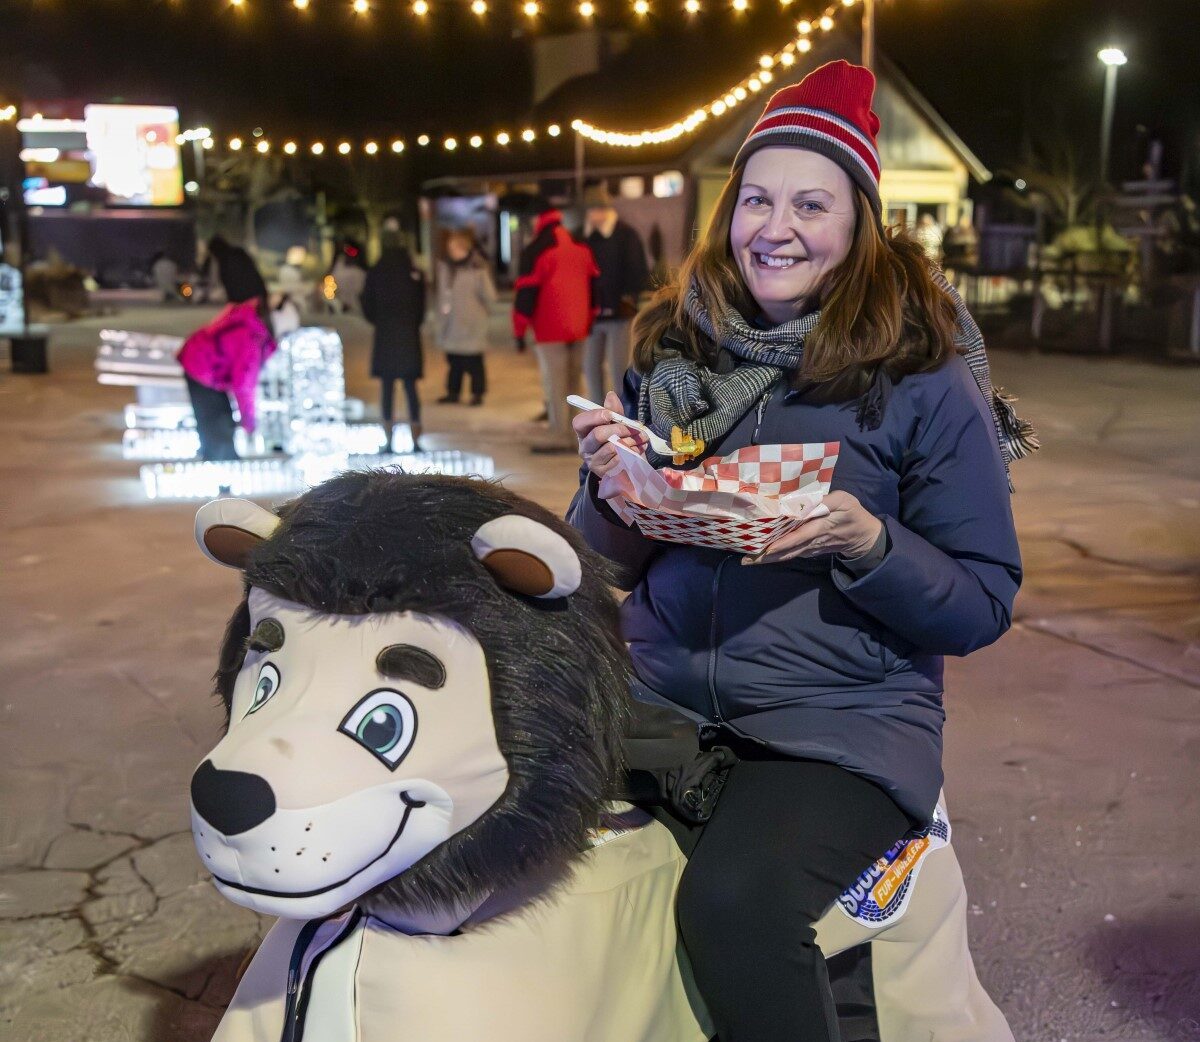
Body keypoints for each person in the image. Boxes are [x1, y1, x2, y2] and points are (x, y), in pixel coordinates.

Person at [568, 60, 1025, 1042]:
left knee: (734, 906)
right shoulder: (676, 349)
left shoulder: (919, 373)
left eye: (811, 204)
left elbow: (983, 600)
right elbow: (597, 569)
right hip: (661, 701)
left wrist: (869, 540)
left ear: (860, 222)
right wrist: (616, 491)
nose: (776, 228)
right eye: (757, 200)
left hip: (840, 728)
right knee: (491, 815)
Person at [512, 207, 599, 454]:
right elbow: (595, 289)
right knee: (574, 382)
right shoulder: (581, 246)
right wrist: (589, 320)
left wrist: (519, 332)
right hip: (580, 327)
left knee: (556, 383)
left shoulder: (536, 250)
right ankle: (579, 434)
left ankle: (560, 434)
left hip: (550, 330)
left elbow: (526, 296)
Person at [582, 184, 650, 406]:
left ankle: (623, 412)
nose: (595, 214)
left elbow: (637, 270)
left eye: (598, 209)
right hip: (591, 315)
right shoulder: (583, 237)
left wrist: (627, 297)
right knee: (591, 367)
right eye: (591, 210)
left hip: (619, 312)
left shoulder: (625, 234)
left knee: (619, 367)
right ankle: (596, 410)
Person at [362, 229, 427, 452]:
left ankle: (389, 438)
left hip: (386, 335)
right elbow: (421, 308)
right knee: (410, 387)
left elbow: (368, 305)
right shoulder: (413, 271)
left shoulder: (377, 272)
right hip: (408, 334)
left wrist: (380, 320)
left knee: (387, 388)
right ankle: (416, 438)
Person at [435, 229, 497, 406]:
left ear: (464, 248)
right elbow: (442, 296)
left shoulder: (477, 268)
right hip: (452, 323)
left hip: (472, 323)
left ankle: (477, 393)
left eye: (454, 248)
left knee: (474, 362)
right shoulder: (446, 268)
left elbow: (489, 296)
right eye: (450, 248)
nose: (451, 251)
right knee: (454, 361)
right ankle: (453, 392)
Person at [203, 235, 268, 321]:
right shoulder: (240, 253)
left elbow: (231, 288)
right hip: (259, 296)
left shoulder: (225, 261)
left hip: (245, 302)